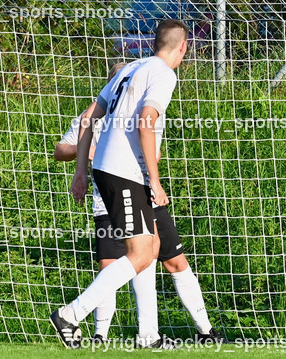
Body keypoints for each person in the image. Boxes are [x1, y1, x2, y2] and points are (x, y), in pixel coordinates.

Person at [54, 66, 223, 344]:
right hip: (116, 193)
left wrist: (153, 180)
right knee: (127, 258)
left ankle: (167, 333)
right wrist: (85, 163)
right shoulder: (102, 113)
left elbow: (153, 150)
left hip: (145, 189)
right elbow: (68, 142)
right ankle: (89, 326)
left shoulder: (145, 109)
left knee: (157, 254)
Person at [50, 19, 188, 349]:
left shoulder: (131, 69)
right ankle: (71, 314)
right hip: (124, 171)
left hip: (111, 169)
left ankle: (148, 335)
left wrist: (81, 170)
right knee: (140, 253)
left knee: (150, 247)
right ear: (182, 47)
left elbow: (88, 119)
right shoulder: (163, 74)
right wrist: (155, 180)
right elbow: (146, 122)